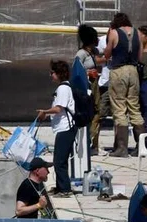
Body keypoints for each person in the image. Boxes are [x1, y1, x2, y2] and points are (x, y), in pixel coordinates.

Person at [103, 13, 143, 157]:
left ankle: (121, 148)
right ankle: (141, 146)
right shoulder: (138, 32)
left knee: (119, 108)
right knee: (134, 108)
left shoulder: (114, 33)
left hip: (119, 70)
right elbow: (140, 56)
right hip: (133, 70)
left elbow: (107, 54)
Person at [36, 60, 76, 197]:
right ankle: (60, 187)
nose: (51, 75)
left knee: (60, 160)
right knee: (59, 158)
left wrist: (45, 112)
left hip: (66, 128)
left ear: (59, 73)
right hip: (62, 128)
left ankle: (65, 189)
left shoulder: (63, 89)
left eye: (52, 72)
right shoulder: (62, 88)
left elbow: (59, 108)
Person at [75, 24, 106, 154]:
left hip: (94, 84)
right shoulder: (81, 54)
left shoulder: (91, 52)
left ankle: (94, 144)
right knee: (92, 112)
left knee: (97, 112)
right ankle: (88, 140)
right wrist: (88, 73)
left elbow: (103, 54)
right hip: (87, 85)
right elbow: (77, 71)